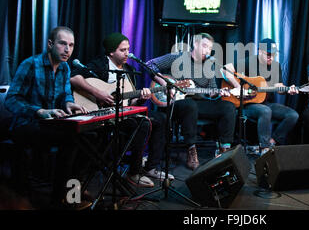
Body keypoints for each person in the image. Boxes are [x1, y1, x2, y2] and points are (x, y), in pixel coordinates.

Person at [70, 32, 172, 187]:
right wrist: (98, 93)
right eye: (122, 50)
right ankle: (134, 172)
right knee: (143, 123)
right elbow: (74, 78)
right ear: (111, 52)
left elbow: (130, 102)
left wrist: (141, 98)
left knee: (160, 119)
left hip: (121, 113)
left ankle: (151, 167)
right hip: (100, 113)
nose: (127, 53)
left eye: (128, 49)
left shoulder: (129, 70)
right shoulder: (99, 64)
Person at [5, 26, 89, 209]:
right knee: (72, 140)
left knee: (90, 137)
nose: (67, 50)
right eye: (62, 44)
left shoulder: (65, 67)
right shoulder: (31, 64)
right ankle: (61, 199)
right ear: (50, 44)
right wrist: (38, 111)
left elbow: (66, 94)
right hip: (26, 124)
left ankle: (72, 194)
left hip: (49, 125)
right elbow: (11, 100)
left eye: (71, 45)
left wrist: (69, 103)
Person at [146, 33, 236, 170]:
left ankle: (225, 150)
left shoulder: (210, 66)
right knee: (190, 105)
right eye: (204, 46)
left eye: (210, 48)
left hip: (197, 103)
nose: (207, 51)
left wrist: (218, 93)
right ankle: (191, 150)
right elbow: (150, 64)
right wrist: (163, 81)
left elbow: (212, 90)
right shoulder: (177, 58)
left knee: (228, 106)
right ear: (195, 44)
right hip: (176, 103)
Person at [223, 38, 299, 155]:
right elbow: (226, 69)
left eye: (273, 55)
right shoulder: (249, 62)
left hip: (265, 103)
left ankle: (270, 142)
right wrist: (238, 86)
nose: (271, 58)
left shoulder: (275, 66)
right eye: (268, 55)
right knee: (265, 111)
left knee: (293, 115)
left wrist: (287, 89)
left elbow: (278, 86)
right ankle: (264, 150)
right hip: (248, 105)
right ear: (259, 51)